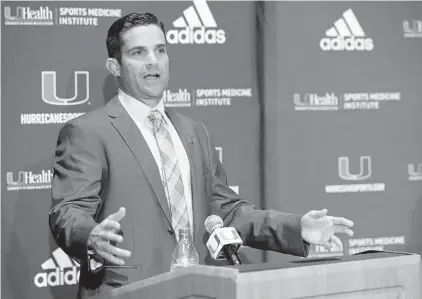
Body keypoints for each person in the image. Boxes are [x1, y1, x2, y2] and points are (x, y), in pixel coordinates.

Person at [49, 12, 354, 299]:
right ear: (115, 67)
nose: (153, 61)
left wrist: (296, 227)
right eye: (138, 53)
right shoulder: (87, 131)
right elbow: (68, 211)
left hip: (199, 288)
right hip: (129, 291)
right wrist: (90, 236)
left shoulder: (193, 131)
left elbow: (227, 210)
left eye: (161, 50)